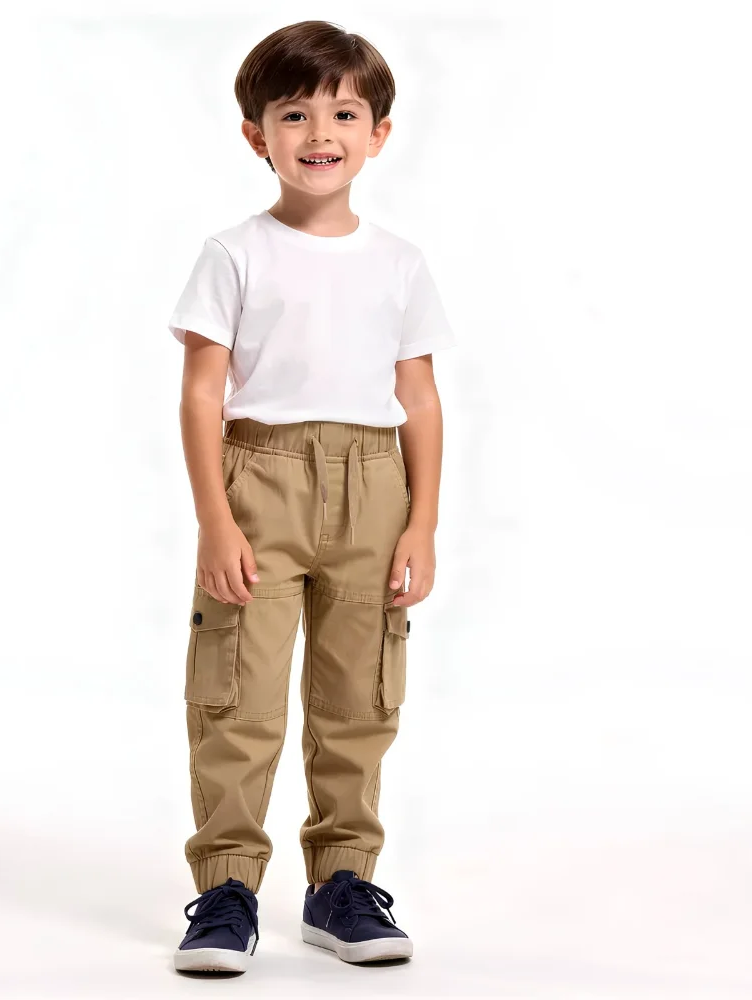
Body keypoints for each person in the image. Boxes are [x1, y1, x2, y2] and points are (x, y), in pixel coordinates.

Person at [167, 20, 456, 974]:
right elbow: (202, 393)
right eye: (294, 114)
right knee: (237, 694)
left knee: (359, 697)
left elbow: (419, 397)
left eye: (344, 114)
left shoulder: (400, 262)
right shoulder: (234, 253)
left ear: (378, 134)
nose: (320, 133)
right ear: (257, 135)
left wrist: (421, 520)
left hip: (375, 486)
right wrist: (215, 520)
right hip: (261, 481)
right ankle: (227, 888)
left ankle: (341, 883)